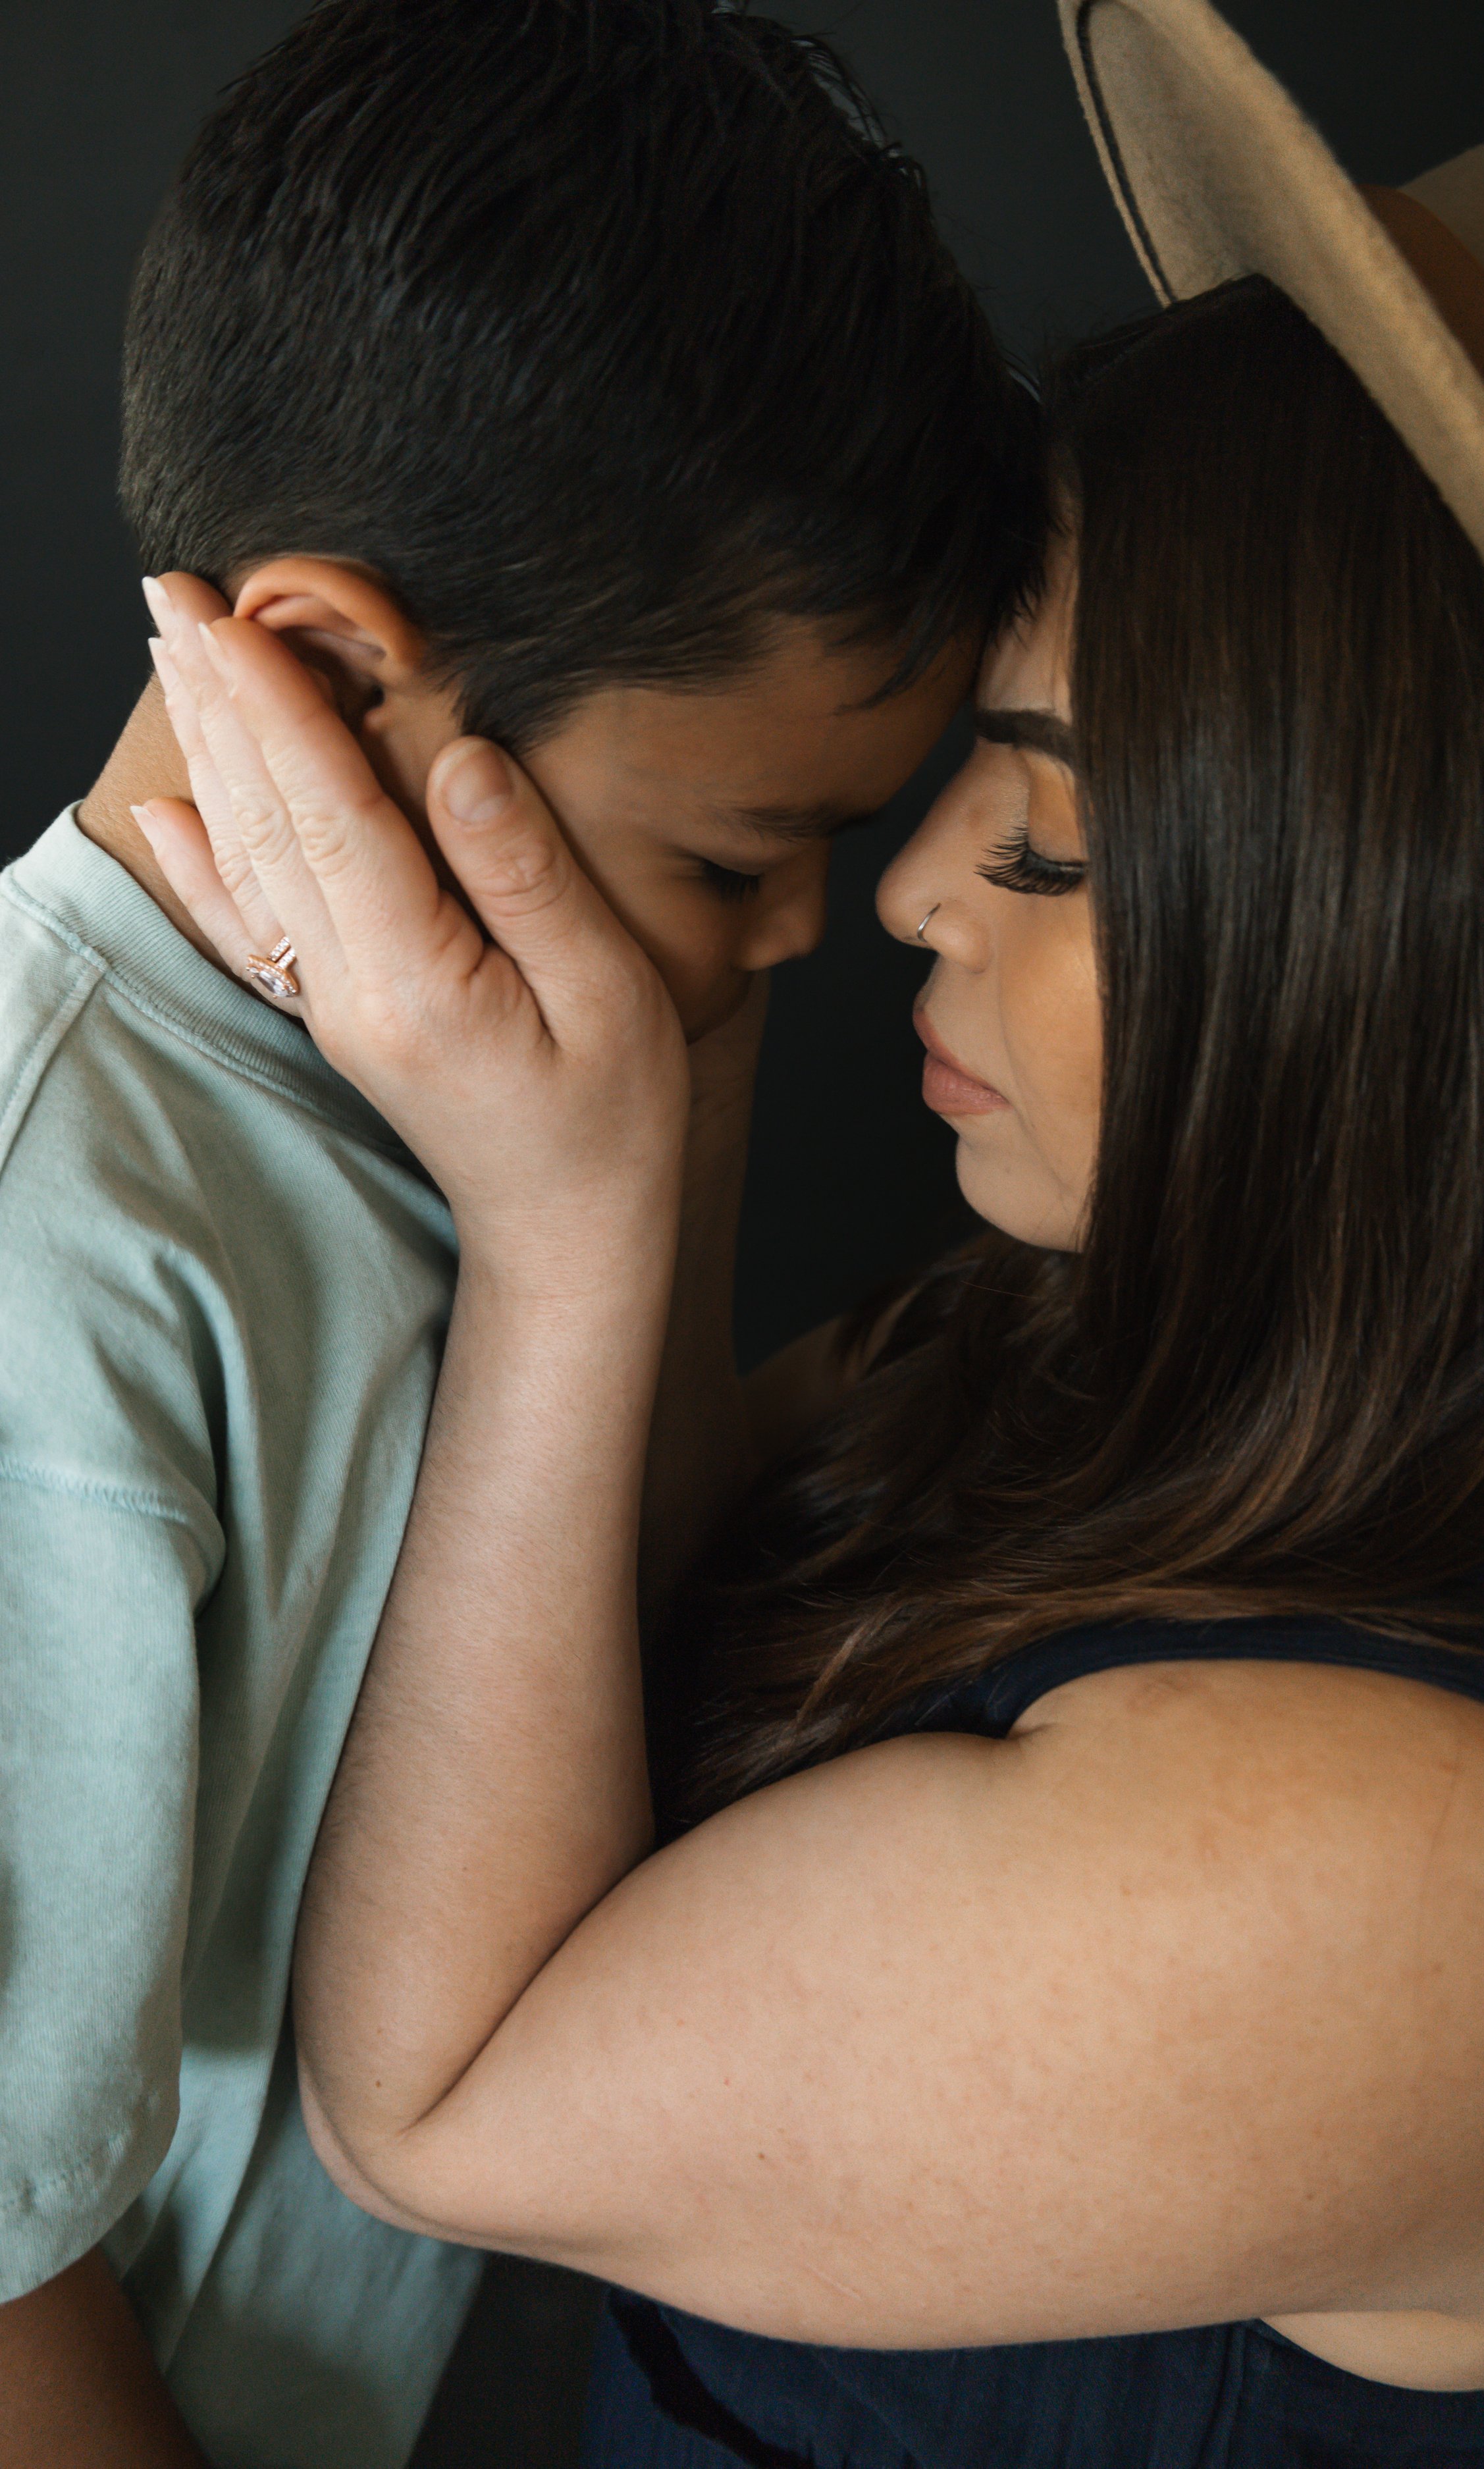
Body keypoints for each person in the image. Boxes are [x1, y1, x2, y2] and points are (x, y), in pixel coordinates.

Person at [135, 4, 1484, 2456]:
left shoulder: (1441, 1887)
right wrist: (668, 995)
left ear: (1415, 951)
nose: (914, 891)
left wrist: (570, 1222)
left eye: (1047, 838)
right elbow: (633, 1623)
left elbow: (435, 2105)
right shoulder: (1150, 1348)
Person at [0, 1, 1041, 2460]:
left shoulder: (472, 1092)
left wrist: (652, 1113)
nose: (814, 935)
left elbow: (604, 1612)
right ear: (344, 675)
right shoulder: (61, 1249)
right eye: (732, 857)